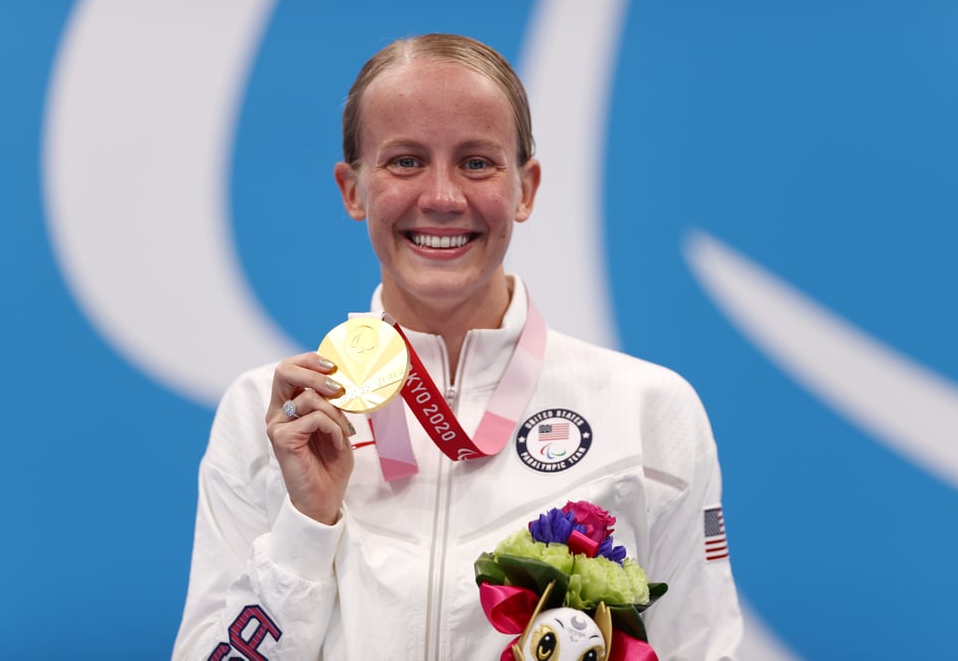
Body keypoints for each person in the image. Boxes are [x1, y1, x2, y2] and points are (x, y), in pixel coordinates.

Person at [173, 33, 743, 660]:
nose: (442, 197)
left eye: (476, 162)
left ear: (525, 188)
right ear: (352, 189)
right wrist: (307, 525)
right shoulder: (273, 416)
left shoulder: (648, 412)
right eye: (405, 161)